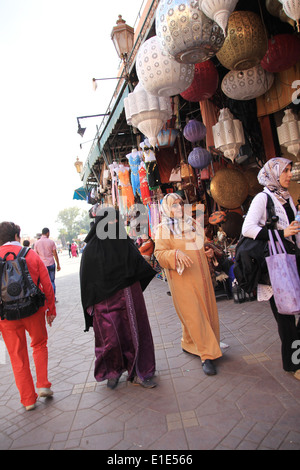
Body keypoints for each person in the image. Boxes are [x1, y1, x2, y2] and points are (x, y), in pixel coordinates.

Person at [79, 207, 157, 390]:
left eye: (115, 221)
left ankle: (139, 371)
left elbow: (137, 265)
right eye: (109, 222)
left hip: (129, 297)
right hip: (104, 302)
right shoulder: (91, 249)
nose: (113, 225)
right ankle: (112, 372)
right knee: (110, 339)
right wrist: (90, 306)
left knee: (136, 334)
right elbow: (86, 279)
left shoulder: (124, 243)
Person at [241, 158, 300, 380]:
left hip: (294, 260)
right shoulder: (262, 198)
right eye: (284, 171)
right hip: (276, 265)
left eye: (290, 170)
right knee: (285, 317)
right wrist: (280, 234)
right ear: (273, 174)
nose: (288, 175)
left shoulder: (287, 197)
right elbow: (248, 229)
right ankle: (293, 365)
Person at [154, 193, 222, 376]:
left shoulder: (192, 224)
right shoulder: (162, 230)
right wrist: (175, 254)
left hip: (202, 278)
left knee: (205, 310)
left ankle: (190, 342)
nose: (178, 208)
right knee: (194, 314)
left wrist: (209, 252)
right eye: (173, 205)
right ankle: (206, 355)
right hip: (182, 280)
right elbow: (159, 255)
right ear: (167, 209)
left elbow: (204, 244)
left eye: (180, 204)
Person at [0, 222, 56, 411]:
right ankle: (43, 385)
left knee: (17, 356)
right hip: (33, 310)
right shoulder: (29, 254)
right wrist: (51, 308)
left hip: (6, 316)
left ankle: (28, 400)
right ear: (17, 235)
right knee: (39, 345)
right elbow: (47, 283)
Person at [34, 228, 61, 300]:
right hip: (51, 263)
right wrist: (58, 264)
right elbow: (55, 254)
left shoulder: (37, 243)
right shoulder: (51, 242)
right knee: (52, 281)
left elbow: (36, 255)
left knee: (45, 283)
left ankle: (47, 298)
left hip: (42, 265)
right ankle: (53, 298)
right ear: (47, 233)